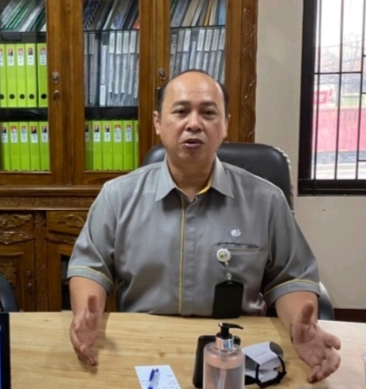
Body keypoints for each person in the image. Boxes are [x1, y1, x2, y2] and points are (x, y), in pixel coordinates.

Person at [67, 70, 341, 383]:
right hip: (143, 346)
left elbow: (291, 278)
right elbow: (90, 267)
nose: (194, 124)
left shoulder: (266, 200)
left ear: (225, 124)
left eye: (208, 113)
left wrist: (301, 328)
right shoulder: (117, 196)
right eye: (181, 111)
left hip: (236, 350)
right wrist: (84, 316)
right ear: (158, 122)